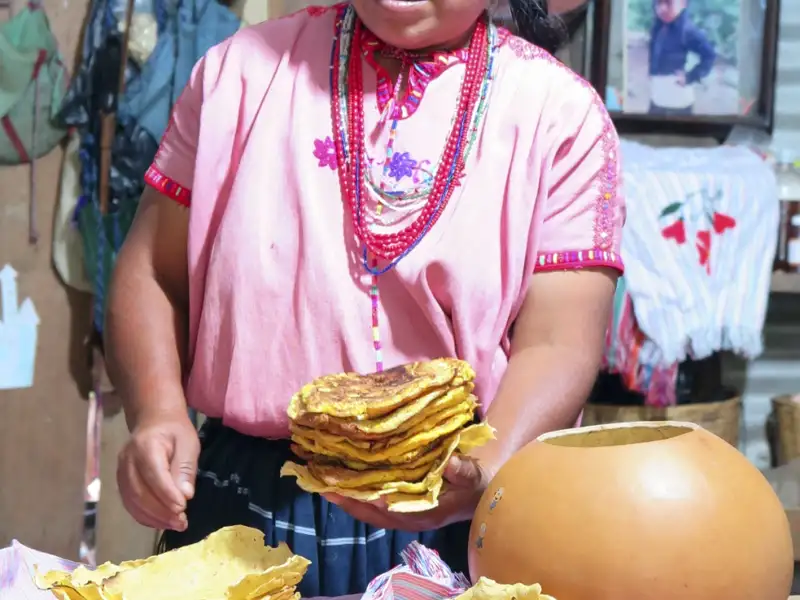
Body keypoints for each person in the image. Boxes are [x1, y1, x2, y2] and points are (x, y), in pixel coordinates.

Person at [105, 0, 624, 595]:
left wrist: (487, 466)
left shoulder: (561, 116)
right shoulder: (236, 75)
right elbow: (153, 271)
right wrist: (157, 411)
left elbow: (558, 340)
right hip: (244, 503)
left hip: (458, 505)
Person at [648, 0, 716, 115]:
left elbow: (709, 55)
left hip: (678, 99)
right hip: (658, 94)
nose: (662, 8)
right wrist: (652, 73)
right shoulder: (658, 27)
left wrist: (690, 76)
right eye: (659, 3)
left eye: (668, 3)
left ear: (683, 3)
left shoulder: (688, 30)